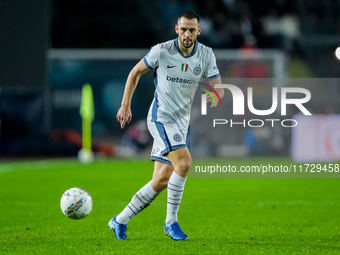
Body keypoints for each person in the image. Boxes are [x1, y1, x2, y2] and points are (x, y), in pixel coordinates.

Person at [108, 11, 224, 241]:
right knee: (184, 162)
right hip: (161, 117)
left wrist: (216, 95)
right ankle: (171, 223)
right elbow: (135, 72)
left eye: (192, 30)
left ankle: (119, 220)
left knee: (161, 180)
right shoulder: (162, 50)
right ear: (176, 29)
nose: (187, 34)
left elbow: (218, 85)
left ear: (198, 31)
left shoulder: (206, 55)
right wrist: (125, 105)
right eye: (183, 29)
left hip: (181, 123)